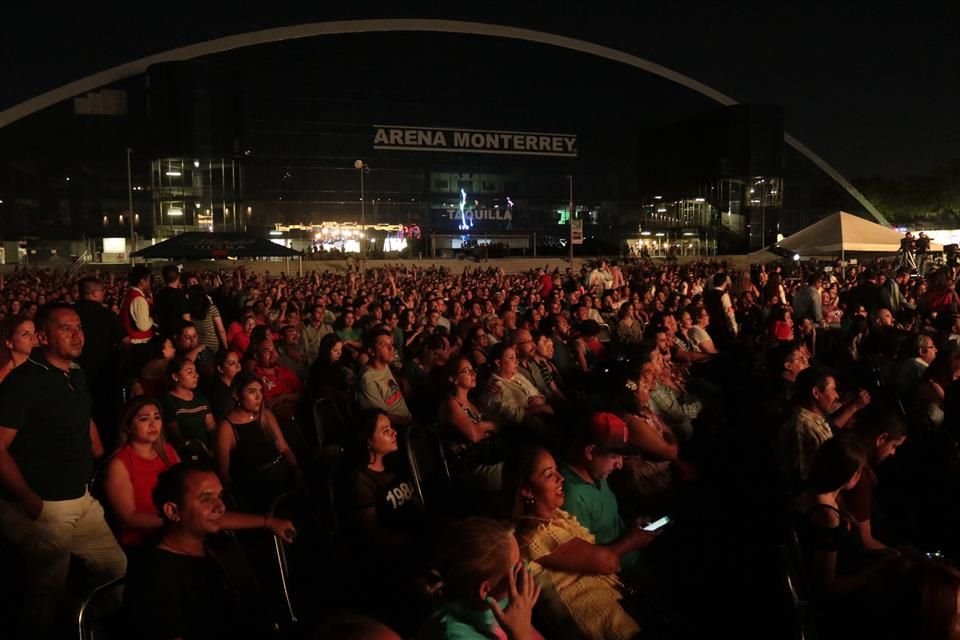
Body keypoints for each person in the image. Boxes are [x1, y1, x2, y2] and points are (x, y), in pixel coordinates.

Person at [0, 303, 126, 636]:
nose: (77, 334)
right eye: (66, 328)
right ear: (42, 337)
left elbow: (82, 417)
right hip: (47, 505)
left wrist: (98, 452)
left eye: (79, 327)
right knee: (45, 593)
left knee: (114, 568)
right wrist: (29, 500)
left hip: (81, 499)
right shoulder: (23, 383)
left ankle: (97, 625)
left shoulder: (76, 373)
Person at [105, 397, 296, 550]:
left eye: (157, 417)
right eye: (144, 419)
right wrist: (180, 521)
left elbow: (193, 498)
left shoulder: (168, 451)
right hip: (147, 540)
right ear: (128, 426)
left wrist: (267, 521)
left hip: (181, 525)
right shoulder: (120, 464)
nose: (153, 424)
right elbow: (128, 518)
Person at [123, 463, 286, 639]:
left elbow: (222, 519)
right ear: (173, 511)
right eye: (206, 499)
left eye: (220, 496)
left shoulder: (205, 540)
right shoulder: (156, 579)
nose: (220, 507)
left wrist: (268, 522)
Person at [508, 445, 646, 640]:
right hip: (601, 627)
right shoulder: (535, 536)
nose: (561, 478)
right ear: (527, 491)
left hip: (617, 610)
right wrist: (635, 539)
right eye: (549, 475)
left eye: (557, 470)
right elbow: (608, 562)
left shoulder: (558, 517)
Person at [418, 517, 543, 640]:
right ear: (485, 590)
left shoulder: (495, 598)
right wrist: (520, 634)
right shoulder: (455, 635)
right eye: (516, 566)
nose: (523, 568)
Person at [215, 372, 300, 510]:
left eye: (260, 391)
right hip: (258, 488)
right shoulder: (227, 427)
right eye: (252, 392)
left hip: (281, 473)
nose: (259, 397)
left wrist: (296, 469)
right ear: (237, 395)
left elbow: (283, 447)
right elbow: (224, 474)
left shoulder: (265, 415)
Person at [841, 412, 908, 554]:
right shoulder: (860, 477)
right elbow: (865, 541)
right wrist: (901, 557)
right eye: (894, 446)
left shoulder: (844, 445)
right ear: (881, 438)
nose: (893, 453)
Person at [439, 357, 504, 491]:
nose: (473, 374)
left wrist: (482, 427)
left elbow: (482, 430)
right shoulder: (451, 404)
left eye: (473, 370)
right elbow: (473, 435)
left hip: (486, 455)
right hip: (470, 465)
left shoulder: (473, 402)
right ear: (453, 379)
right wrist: (490, 426)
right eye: (466, 371)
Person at [358, 328, 412, 427]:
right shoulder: (368, 380)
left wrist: (401, 380)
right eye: (383, 345)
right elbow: (382, 416)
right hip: (397, 427)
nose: (391, 348)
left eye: (391, 344)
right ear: (372, 351)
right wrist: (408, 422)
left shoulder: (384, 364)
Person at [162, 355, 215, 448]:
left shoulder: (200, 397)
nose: (196, 375)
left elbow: (211, 428)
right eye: (189, 372)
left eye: (195, 371)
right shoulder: (168, 401)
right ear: (175, 376)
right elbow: (176, 437)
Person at [120, 265, 155, 372]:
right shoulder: (138, 299)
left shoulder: (129, 294)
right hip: (139, 344)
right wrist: (152, 319)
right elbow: (143, 326)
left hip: (133, 342)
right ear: (142, 281)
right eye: (149, 280)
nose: (150, 283)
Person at [186, 284, 227, 353]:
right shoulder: (211, 309)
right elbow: (221, 330)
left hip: (197, 347)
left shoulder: (189, 312)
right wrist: (226, 347)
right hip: (212, 346)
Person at [153, 264, 190, 339]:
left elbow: (157, 317)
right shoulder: (180, 295)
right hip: (178, 335)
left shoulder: (158, 294)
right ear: (178, 277)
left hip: (164, 334)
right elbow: (186, 319)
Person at [0, 314, 37, 385]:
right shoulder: (4, 377)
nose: (33, 338)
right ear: (9, 343)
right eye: (25, 334)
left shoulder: (43, 366)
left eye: (34, 333)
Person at [209, 350, 242, 422]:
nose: (238, 366)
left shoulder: (237, 384)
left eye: (238, 362)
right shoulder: (218, 393)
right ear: (220, 369)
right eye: (232, 363)